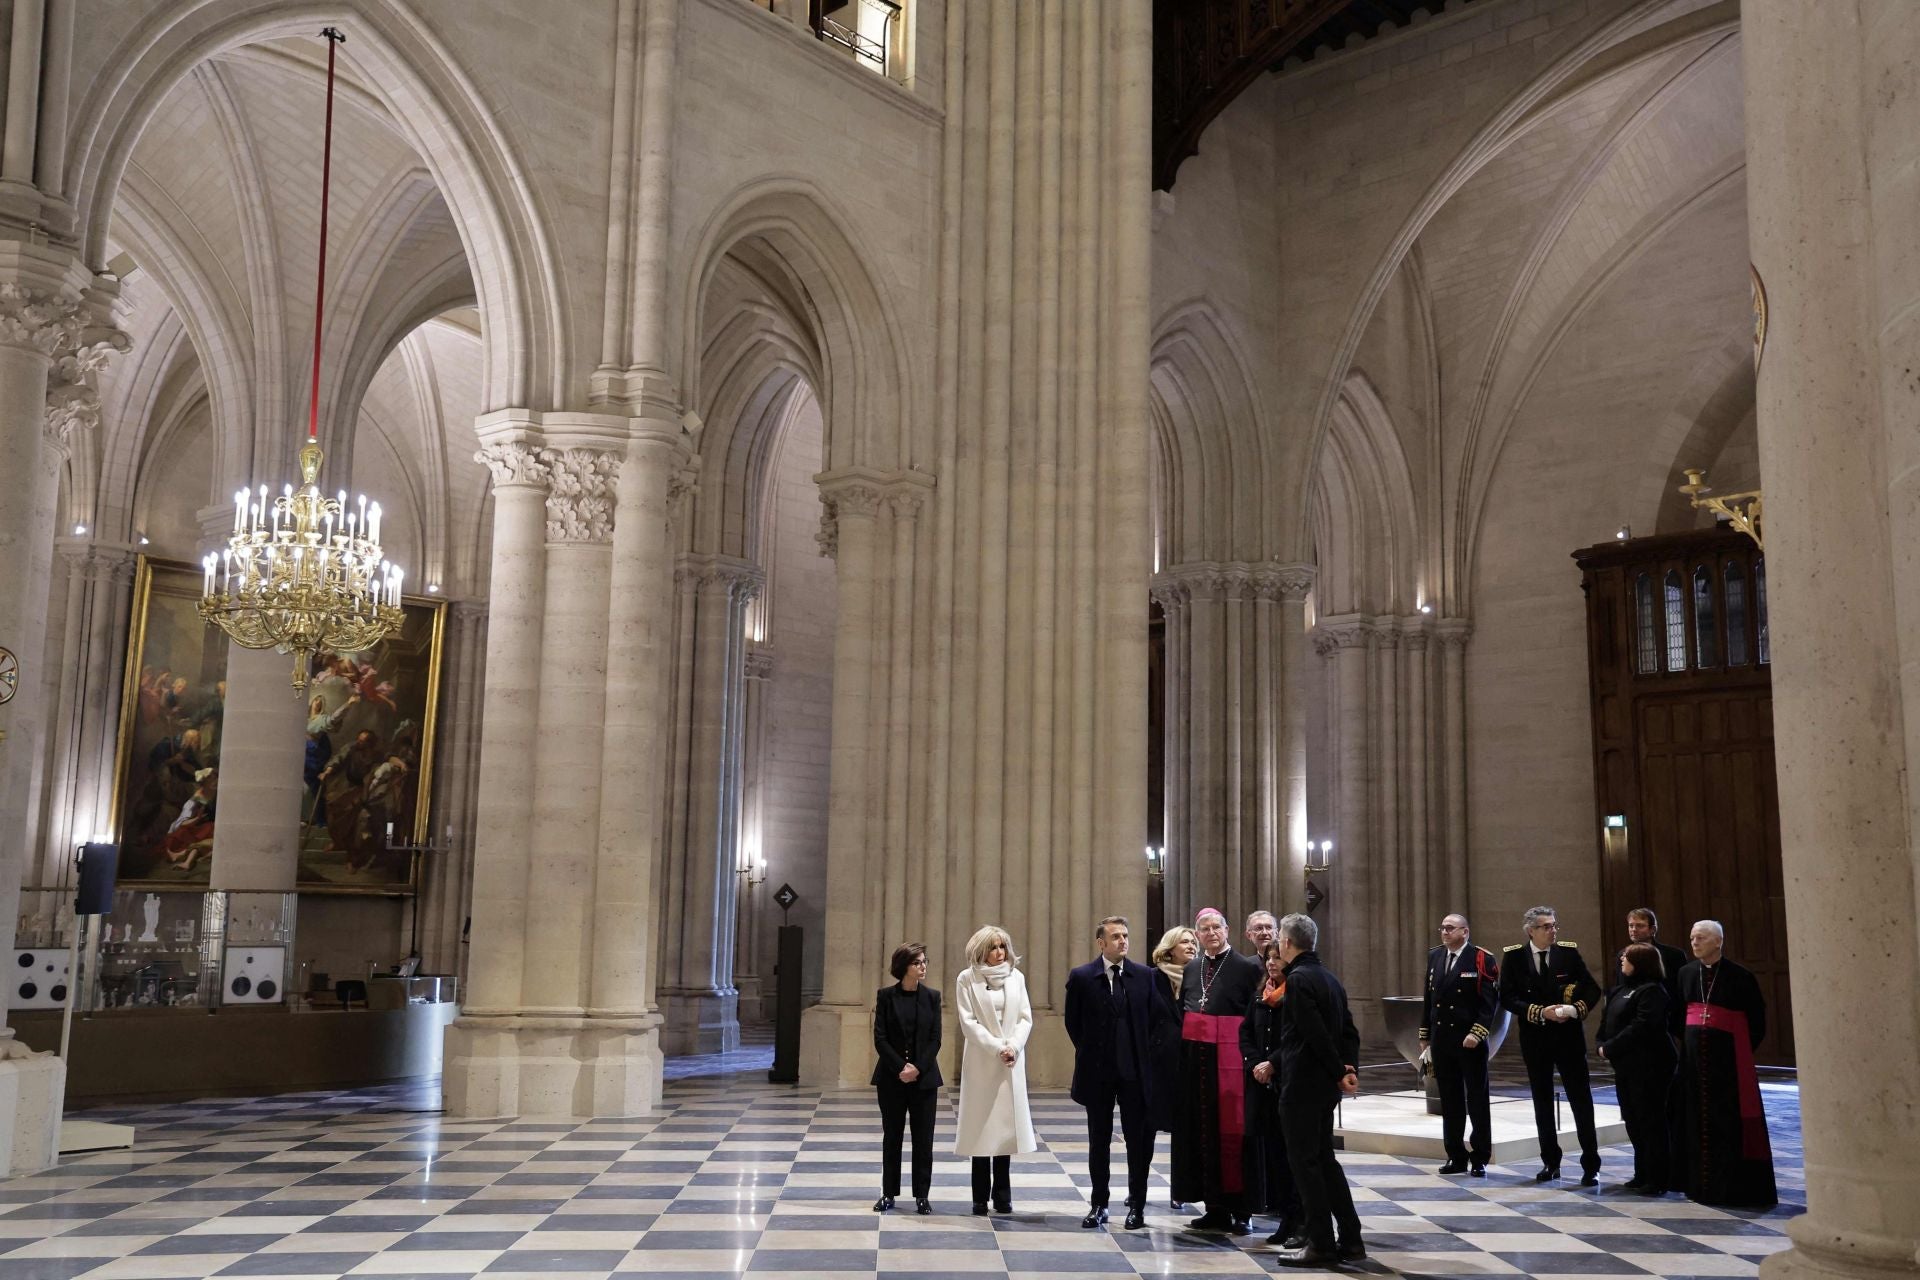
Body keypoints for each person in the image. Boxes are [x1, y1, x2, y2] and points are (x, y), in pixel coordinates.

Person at [1270, 913, 1363, 1266]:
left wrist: (1339, 1070)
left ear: (1288, 943)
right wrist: (1347, 1068)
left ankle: (1321, 1244)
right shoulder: (1329, 978)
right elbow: (1349, 1032)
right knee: (1325, 1161)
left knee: (1306, 1165)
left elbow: (1314, 1034)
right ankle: (1351, 1240)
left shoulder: (1299, 980)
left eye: (1280, 937)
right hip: (1323, 1087)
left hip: (1303, 1087)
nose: (1278, 943)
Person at [1065, 916, 1167, 1230]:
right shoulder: (1083, 976)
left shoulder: (1145, 976)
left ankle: (1136, 1205)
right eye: (1115, 936)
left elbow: (1156, 1019)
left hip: (1134, 1072)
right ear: (1101, 943)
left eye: (1125, 935)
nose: (1122, 941)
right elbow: (1073, 1023)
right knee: (1099, 1140)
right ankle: (1099, 1204)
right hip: (1098, 1072)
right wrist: (1091, 1052)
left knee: (1137, 1142)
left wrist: (1142, 1054)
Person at [1673, 920, 1776, 1208]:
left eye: (1701, 938)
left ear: (1718, 942)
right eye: (1692, 937)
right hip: (1694, 1064)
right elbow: (1678, 1016)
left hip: (1728, 1066)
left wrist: (1736, 1051)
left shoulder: (1740, 976)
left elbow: (1756, 1021)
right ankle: (1697, 1186)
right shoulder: (1685, 973)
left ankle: (1729, 1187)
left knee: (1727, 1125)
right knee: (1695, 1122)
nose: (1694, 942)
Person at [1497, 905, 1603, 1184]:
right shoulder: (1515, 957)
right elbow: (1506, 997)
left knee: (1581, 1100)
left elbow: (1592, 989)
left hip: (1568, 1037)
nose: (1553, 930)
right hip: (1536, 1038)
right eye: (1546, 926)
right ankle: (1550, 1162)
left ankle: (1590, 1164)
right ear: (1531, 930)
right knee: (1542, 1102)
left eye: (1554, 925)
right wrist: (1537, 1011)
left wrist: (1574, 1010)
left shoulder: (1567, 953)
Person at [1173, 907, 1264, 1232]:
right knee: (1203, 1134)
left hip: (1231, 1067)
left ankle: (1242, 1212)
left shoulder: (1244, 967)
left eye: (1216, 927)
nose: (1211, 933)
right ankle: (1215, 1209)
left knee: (1235, 1137)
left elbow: (1254, 1016)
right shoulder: (1193, 967)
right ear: (1198, 935)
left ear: (1227, 930)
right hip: (1198, 1068)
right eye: (1205, 929)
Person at [953, 925, 1036, 1215]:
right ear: (981, 950)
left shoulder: (1017, 977)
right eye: (993, 947)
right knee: (981, 1127)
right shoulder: (967, 979)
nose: (999, 953)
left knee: (1004, 1129)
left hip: (1010, 1061)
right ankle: (979, 1197)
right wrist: (996, 1047)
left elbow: (1025, 1017)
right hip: (982, 1060)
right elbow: (968, 1022)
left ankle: (1002, 1194)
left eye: (1003, 946)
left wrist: (1013, 1046)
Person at [1419, 912, 1499, 1176]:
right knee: (1450, 1100)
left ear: (1465, 932)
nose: (1444, 932)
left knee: (1476, 1099)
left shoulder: (1481, 958)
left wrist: (1478, 1032)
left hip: (1469, 1041)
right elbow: (1429, 999)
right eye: (1442, 928)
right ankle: (1455, 1154)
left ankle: (1480, 1157)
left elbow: (1489, 1004)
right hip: (1443, 1040)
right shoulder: (1435, 956)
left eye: (1450, 928)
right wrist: (1424, 1035)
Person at [1596, 941, 1677, 1194]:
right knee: (1632, 1119)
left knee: (1650, 1120)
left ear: (1641, 963)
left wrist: (1610, 1047)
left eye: (1627, 958)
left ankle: (1658, 1177)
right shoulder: (1620, 989)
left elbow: (1642, 1026)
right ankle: (1641, 1172)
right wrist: (1602, 1042)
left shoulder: (1652, 991)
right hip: (1626, 1066)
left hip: (1650, 1065)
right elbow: (1606, 1020)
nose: (1622, 961)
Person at [871, 942, 942, 1214]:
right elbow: (880, 1038)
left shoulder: (932, 997)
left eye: (925, 961)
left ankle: (922, 1195)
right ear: (904, 967)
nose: (923, 966)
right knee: (892, 1137)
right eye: (917, 963)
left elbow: (935, 1039)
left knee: (924, 1139)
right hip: (891, 1078)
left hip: (924, 1080)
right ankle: (889, 1193)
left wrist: (917, 1069)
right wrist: (901, 1067)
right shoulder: (886, 996)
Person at [1240, 940, 1302, 1246]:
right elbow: (1246, 1032)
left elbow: (1295, 1039)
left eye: (1277, 958)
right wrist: (1254, 1062)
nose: (1271, 963)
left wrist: (1272, 1064)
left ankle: (1297, 1219)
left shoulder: (1295, 994)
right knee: (1273, 1153)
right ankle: (1283, 1214)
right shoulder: (1261, 994)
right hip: (1260, 1085)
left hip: (1286, 1083)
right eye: (1268, 958)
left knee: (1290, 1155)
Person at [1625, 908, 1687, 1035]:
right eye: (1631, 925)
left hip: (1669, 1020)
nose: (1633, 929)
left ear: (1652, 930)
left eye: (1640, 926)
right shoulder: (1623, 955)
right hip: (1636, 1021)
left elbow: (1681, 991)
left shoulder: (1674, 955)